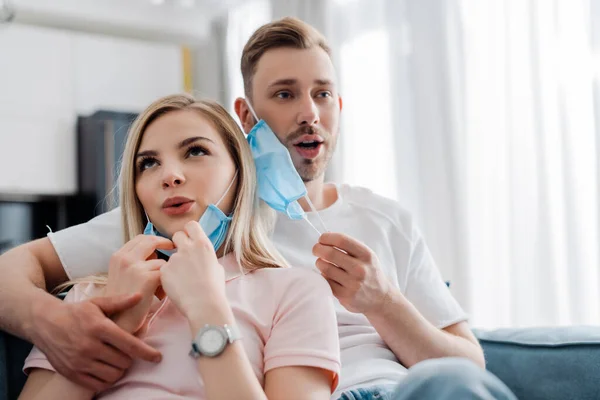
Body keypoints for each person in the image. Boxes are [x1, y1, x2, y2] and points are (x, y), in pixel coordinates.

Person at [0, 17, 516, 400]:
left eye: (323, 94)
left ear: (339, 107)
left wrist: (384, 303)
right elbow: (14, 270)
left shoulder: (386, 220)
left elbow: (470, 366)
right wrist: (58, 324)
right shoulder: (186, 213)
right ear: (246, 116)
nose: (309, 113)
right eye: (286, 94)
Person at [16, 94, 340, 399]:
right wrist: (112, 333)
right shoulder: (89, 296)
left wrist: (206, 308)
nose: (169, 176)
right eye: (149, 164)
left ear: (240, 173)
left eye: (196, 151)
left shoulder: (297, 292)